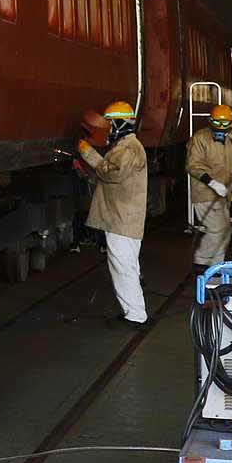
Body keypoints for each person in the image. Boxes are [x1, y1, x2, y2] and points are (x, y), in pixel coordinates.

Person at [78, 99, 150, 326]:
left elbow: (112, 174)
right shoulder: (125, 147)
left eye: (110, 123)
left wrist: (87, 152)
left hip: (122, 220)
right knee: (127, 266)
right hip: (123, 218)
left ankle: (136, 315)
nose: (107, 128)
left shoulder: (128, 148)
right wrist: (86, 174)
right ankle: (134, 311)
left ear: (120, 124)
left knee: (123, 268)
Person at [185, 103, 232, 272]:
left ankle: (217, 266)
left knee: (226, 230)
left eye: (225, 125)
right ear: (211, 122)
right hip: (205, 192)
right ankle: (201, 262)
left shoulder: (231, 137)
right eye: (217, 124)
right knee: (218, 229)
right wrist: (211, 182)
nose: (221, 128)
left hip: (223, 192)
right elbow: (192, 166)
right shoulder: (200, 138)